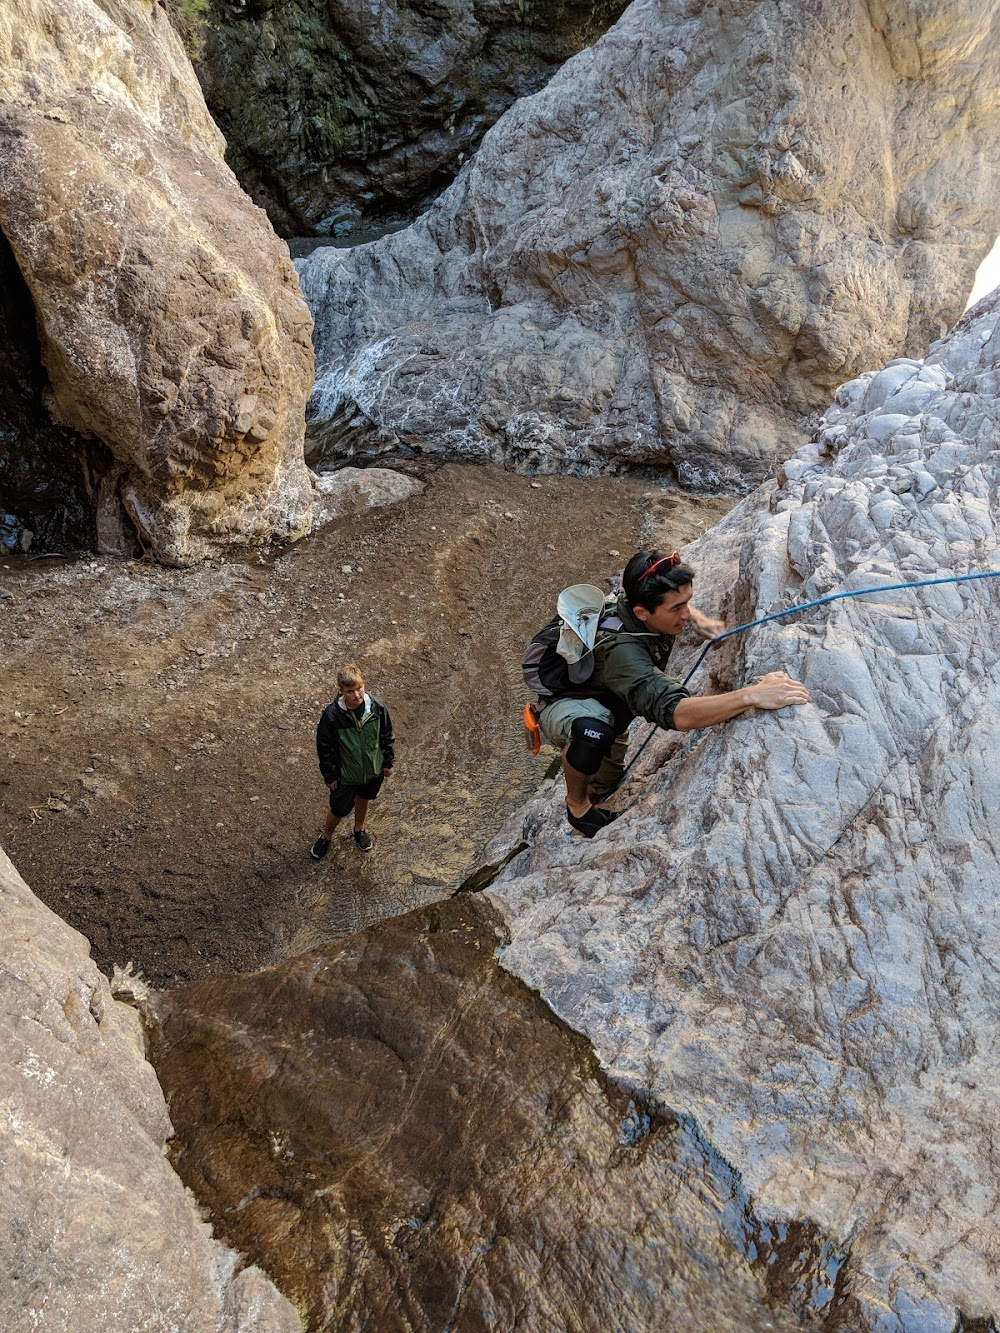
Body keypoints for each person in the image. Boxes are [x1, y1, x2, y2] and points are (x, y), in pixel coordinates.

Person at [536, 548, 812, 837]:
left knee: (606, 779)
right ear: (642, 612)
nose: (684, 614)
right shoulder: (622, 654)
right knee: (592, 732)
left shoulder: (643, 608)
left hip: (611, 702)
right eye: (676, 609)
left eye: (687, 603)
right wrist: (752, 695)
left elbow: (669, 605)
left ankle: (593, 795)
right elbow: (678, 714)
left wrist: (698, 618)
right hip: (567, 705)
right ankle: (577, 808)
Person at [310, 665, 395, 857]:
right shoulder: (331, 716)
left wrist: (388, 762)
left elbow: (387, 735)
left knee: (364, 798)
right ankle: (326, 837)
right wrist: (329, 775)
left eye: (359, 688)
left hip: (372, 770)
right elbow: (324, 748)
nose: (356, 694)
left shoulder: (377, 707)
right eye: (350, 691)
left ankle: (359, 829)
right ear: (341, 691)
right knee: (338, 809)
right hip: (345, 776)